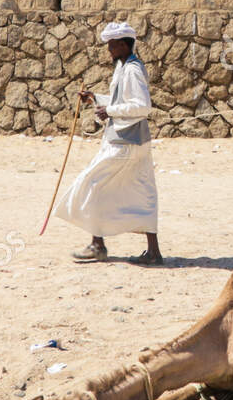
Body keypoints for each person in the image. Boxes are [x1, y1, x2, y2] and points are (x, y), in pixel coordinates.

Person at [55, 21, 164, 265]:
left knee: (92, 183)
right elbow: (120, 101)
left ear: (125, 45)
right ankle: (153, 252)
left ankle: (97, 245)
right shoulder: (124, 68)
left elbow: (143, 106)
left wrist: (111, 110)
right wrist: (96, 99)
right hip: (135, 141)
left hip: (124, 143)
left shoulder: (133, 70)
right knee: (142, 190)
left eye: (113, 45)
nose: (110, 50)